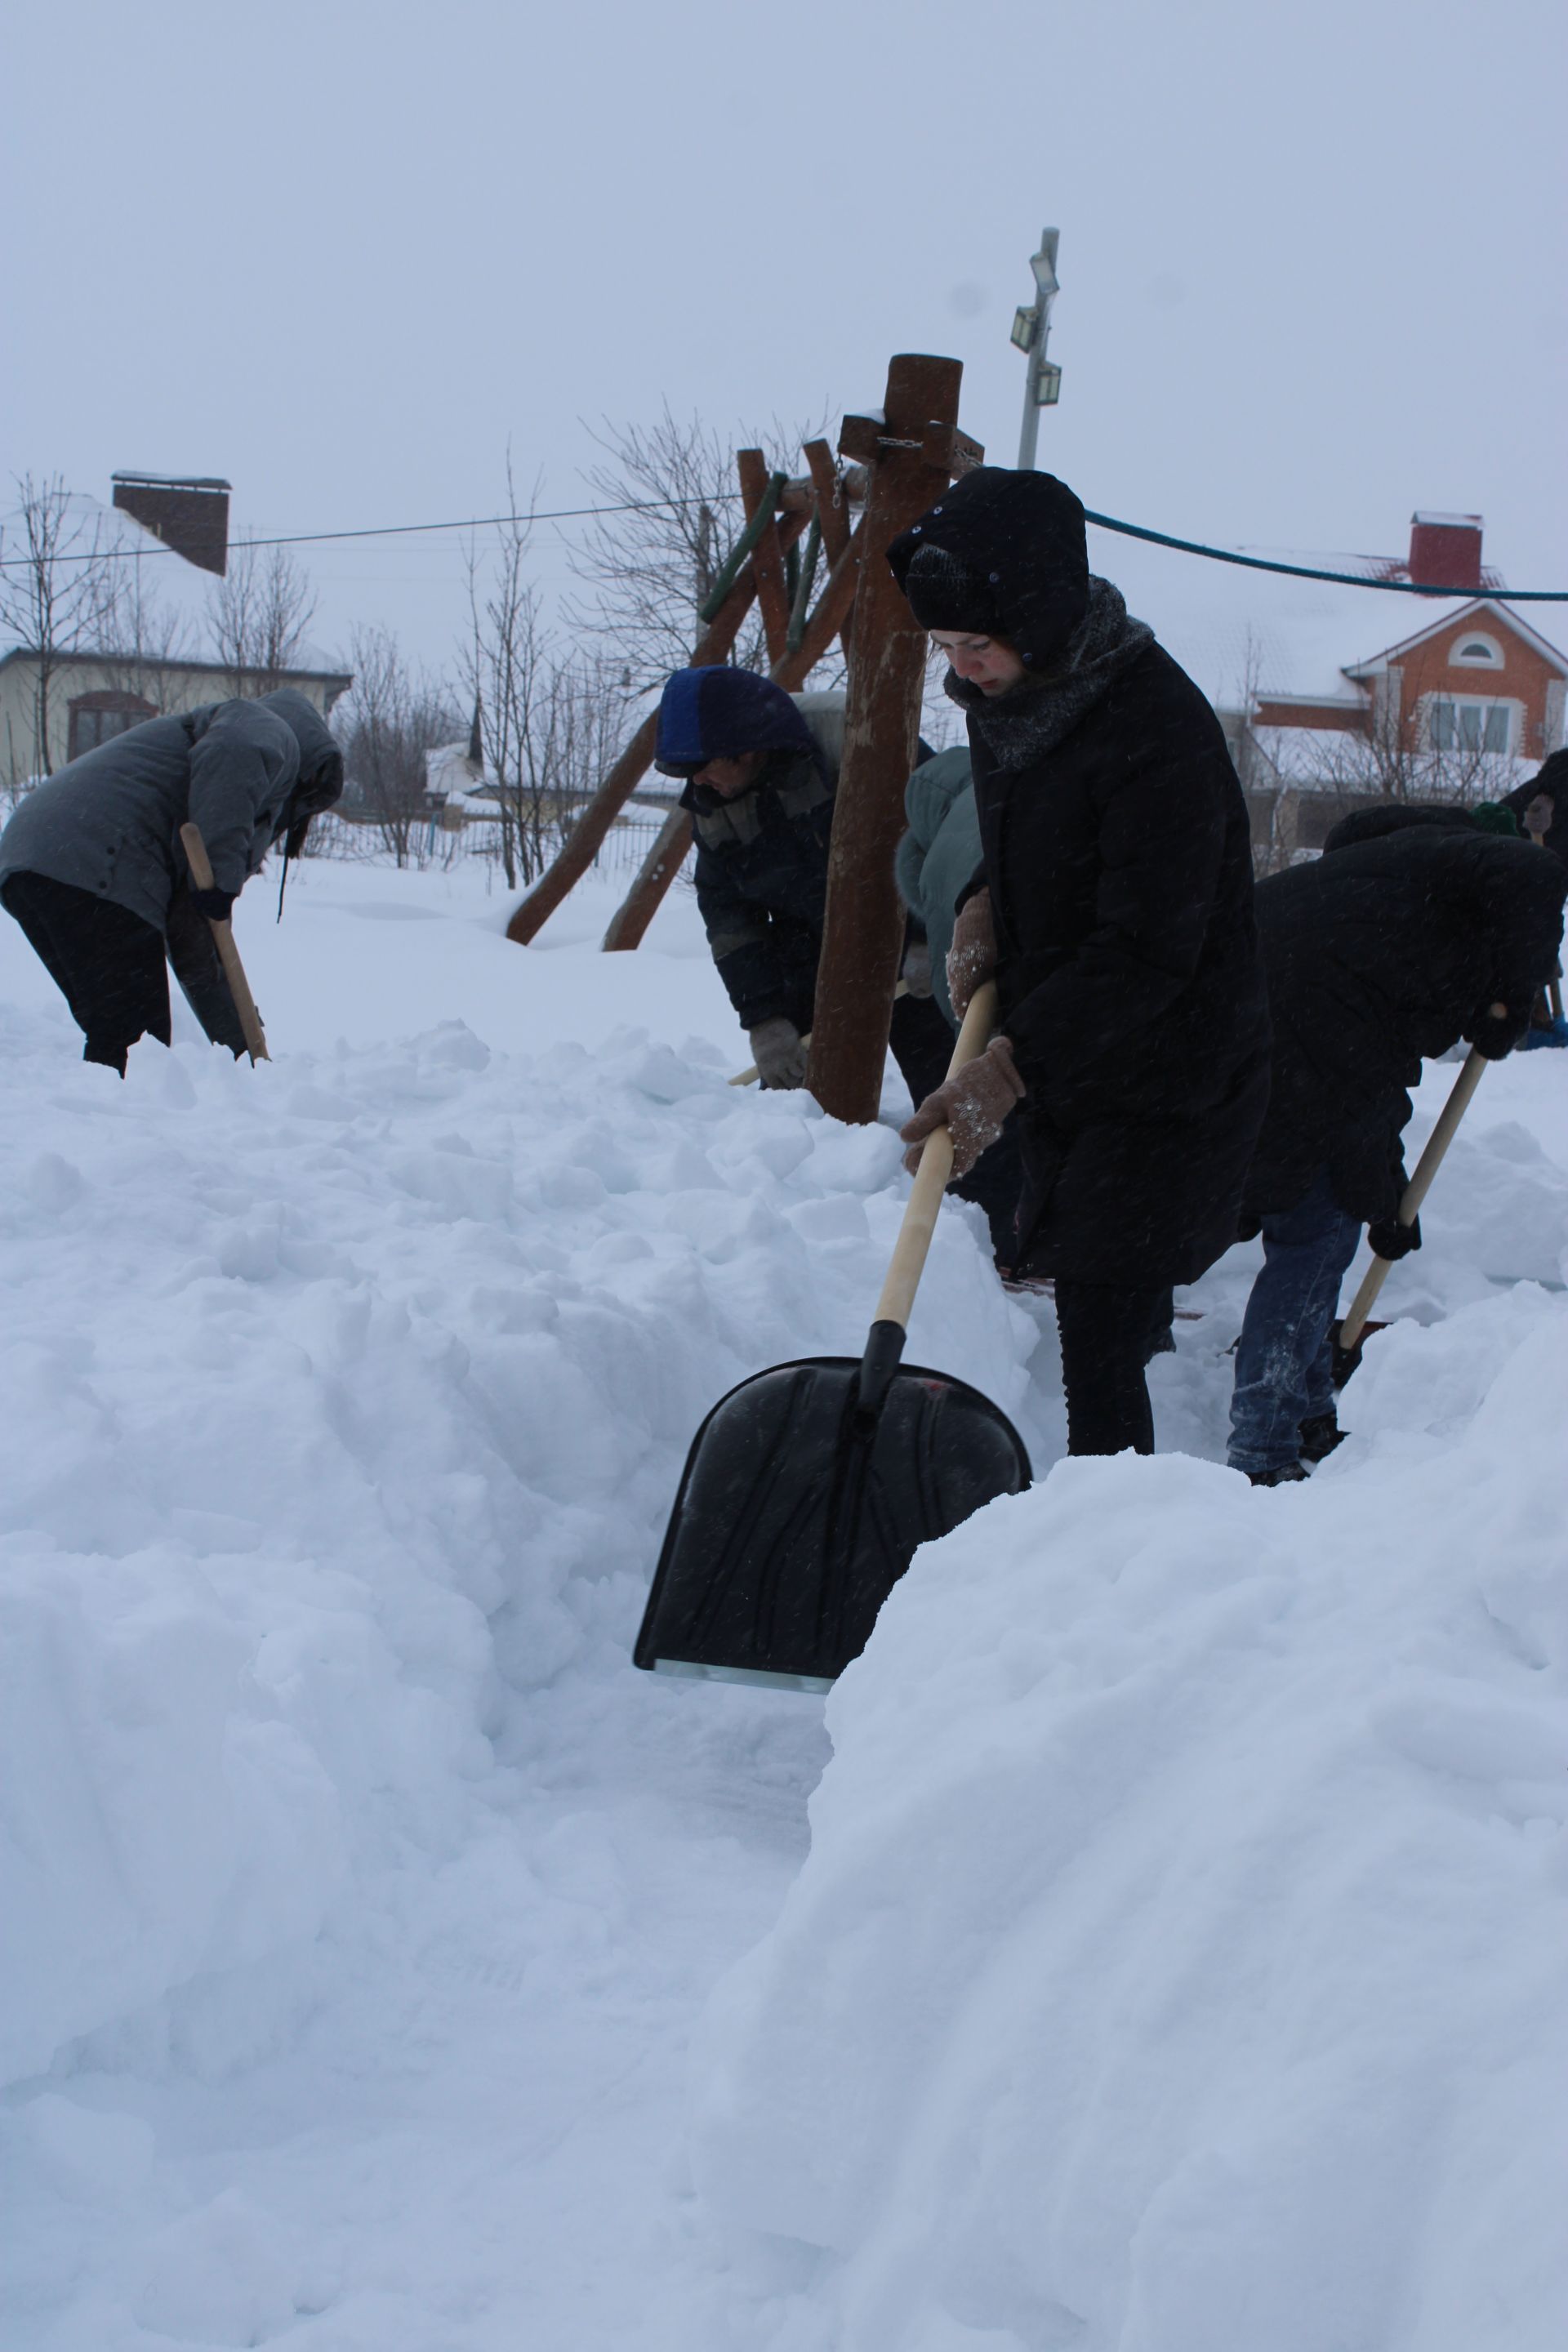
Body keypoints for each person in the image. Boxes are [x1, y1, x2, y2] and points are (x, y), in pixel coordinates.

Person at [886, 467, 1270, 1458]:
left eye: (977, 644)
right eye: (946, 647)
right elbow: (1053, 850)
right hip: (1082, 1042)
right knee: (1102, 1296)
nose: (962, 669)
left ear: (1042, 613)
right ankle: (1125, 1453)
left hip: (1164, 1065)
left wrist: (1008, 1068)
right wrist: (987, 905)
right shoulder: (1021, 694)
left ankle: (1117, 1529)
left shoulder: (1155, 729)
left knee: (1095, 1317)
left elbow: (1147, 948)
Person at [1227, 806, 1568, 1486]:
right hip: (1300, 1040)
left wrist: (1386, 1201)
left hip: (1245, 1011)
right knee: (1311, 1236)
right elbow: (1540, 868)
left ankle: (1304, 1416)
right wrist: (1508, 993)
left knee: (1322, 1224)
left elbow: (1375, 1087)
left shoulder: (1385, 898)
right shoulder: (1469, 883)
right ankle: (1262, 1449)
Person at [0, 687, 343, 1073]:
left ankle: (106, 1122)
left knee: (118, 1030)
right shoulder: (265, 728)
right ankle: (122, 1126)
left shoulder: (213, 766)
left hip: (39, 862)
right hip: (94, 858)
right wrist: (221, 875)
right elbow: (235, 749)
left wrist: (242, 1053)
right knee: (137, 1042)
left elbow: (194, 937)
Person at [653, 664, 954, 1095]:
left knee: (947, 1082)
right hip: (808, 946)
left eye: (701, 765)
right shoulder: (714, 806)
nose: (696, 781)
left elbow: (942, 834)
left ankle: (967, 1157)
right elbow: (730, 924)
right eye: (684, 772)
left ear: (746, 749)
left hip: (904, 924)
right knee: (795, 1103)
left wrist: (932, 935)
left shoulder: (853, 737)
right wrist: (764, 1020)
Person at [894, 743, 1026, 1260]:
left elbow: (965, 982)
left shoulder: (943, 845)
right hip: (1074, 991)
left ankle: (995, 1245)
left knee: (990, 1099)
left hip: (1024, 996)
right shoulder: (1012, 794)